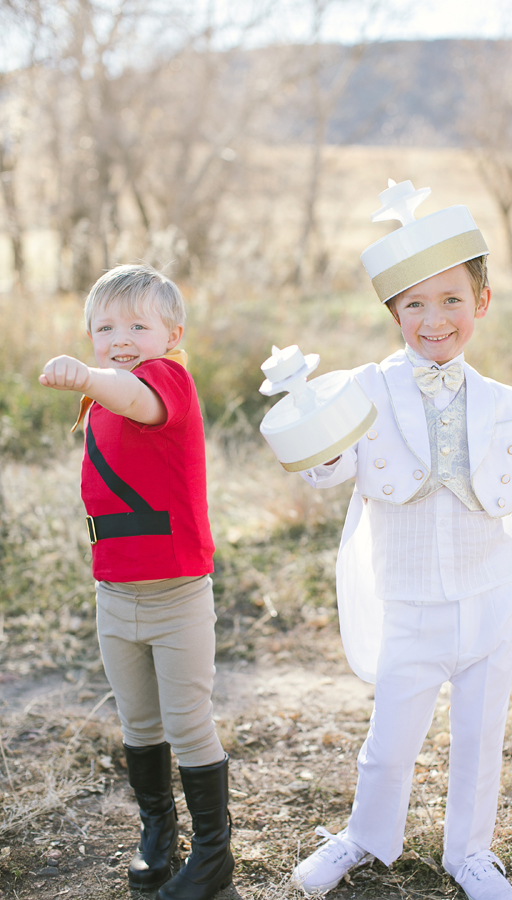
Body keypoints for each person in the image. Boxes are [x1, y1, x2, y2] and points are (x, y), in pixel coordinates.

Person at [289, 181, 512, 900]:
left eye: (452, 300)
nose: (435, 319)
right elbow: (329, 472)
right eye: (416, 305)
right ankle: (368, 836)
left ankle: (470, 853)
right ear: (394, 311)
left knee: (480, 738)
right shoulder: (363, 393)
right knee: (389, 745)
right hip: (410, 606)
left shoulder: (508, 405)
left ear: (481, 303)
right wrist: (322, 447)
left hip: (492, 601)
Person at [39, 264, 234, 900]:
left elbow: (134, 396)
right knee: (138, 721)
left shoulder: (164, 381)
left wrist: (91, 375)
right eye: (106, 326)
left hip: (176, 593)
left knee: (187, 722)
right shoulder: (102, 397)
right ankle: (159, 831)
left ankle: (213, 859)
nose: (122, 335)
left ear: (172, 333)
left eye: (139, 325)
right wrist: (94, 384)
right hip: (114, 592)